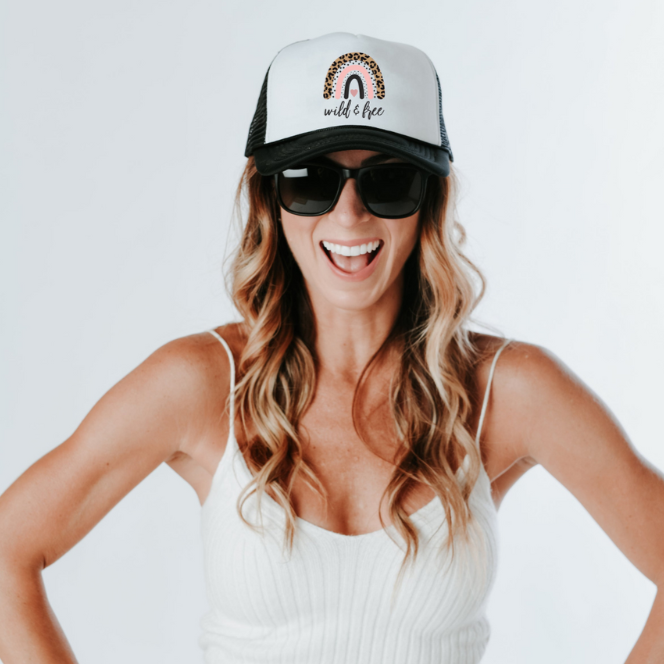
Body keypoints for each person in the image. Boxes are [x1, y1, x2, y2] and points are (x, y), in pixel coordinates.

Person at [0, 31, 662, 664]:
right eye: (311, 179)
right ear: (271, 199)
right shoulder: (202, 385)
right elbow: (8, 553)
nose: (349, 216)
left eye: (389, 180)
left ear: (430, 200)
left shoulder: (505, 391)